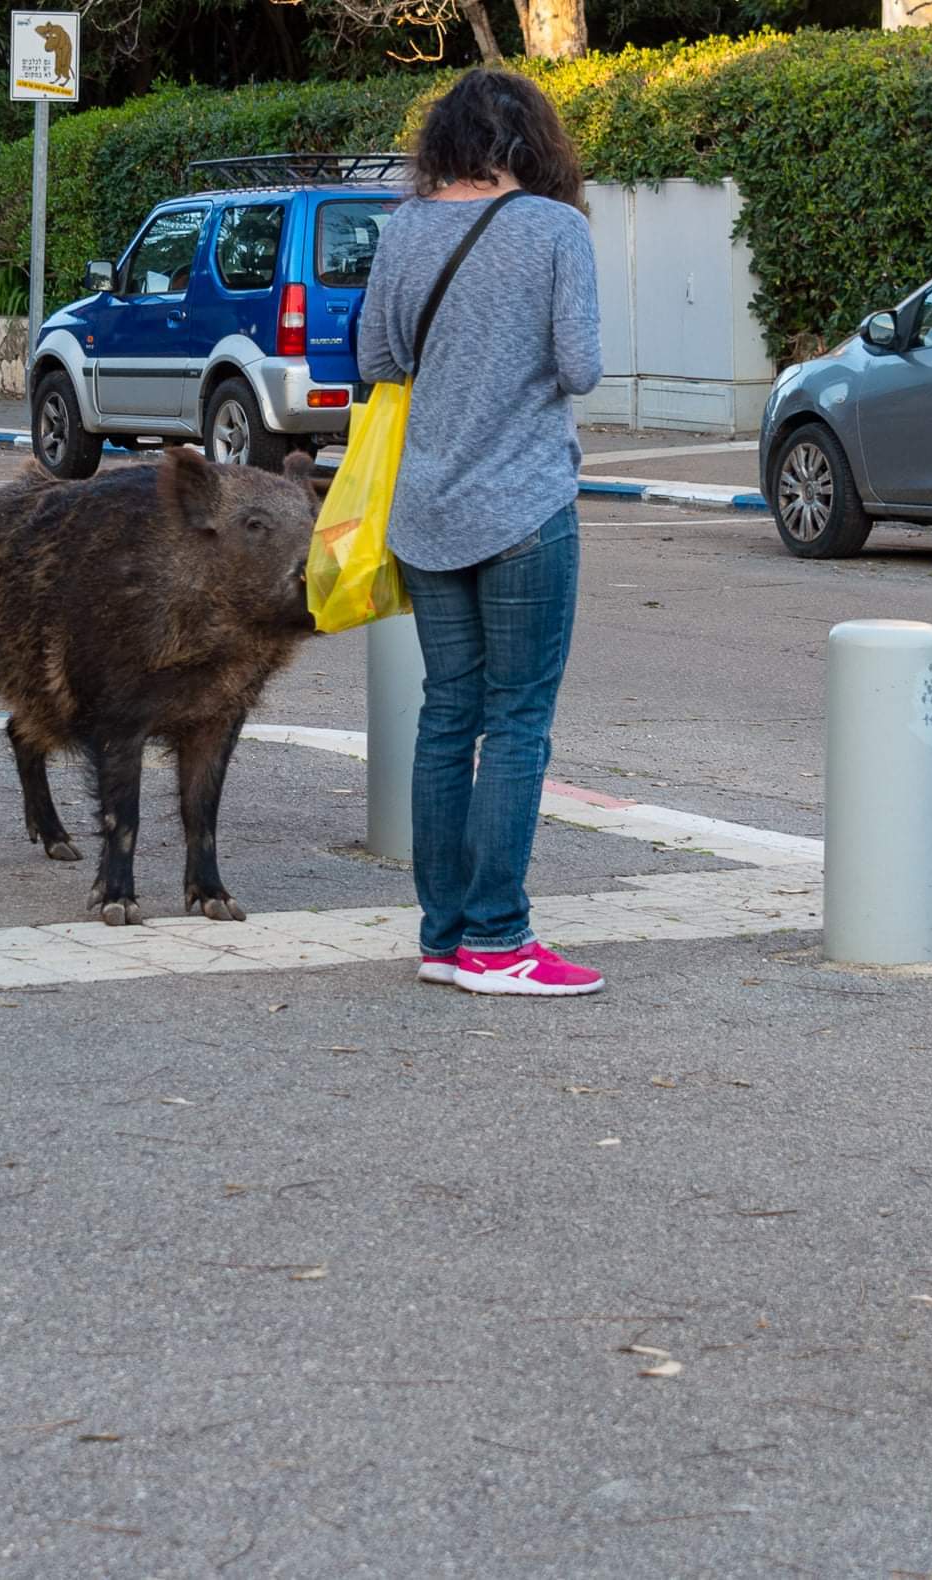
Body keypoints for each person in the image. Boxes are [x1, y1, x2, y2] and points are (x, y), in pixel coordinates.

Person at [356, 69, 604, 998]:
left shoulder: (406, 226)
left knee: (446, 717)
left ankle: (443, 934)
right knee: (516, 724)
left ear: (448, 143)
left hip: (424, 511)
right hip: (523, 508)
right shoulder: (556, 229)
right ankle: (499, 942)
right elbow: (580, 367)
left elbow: (378, 358)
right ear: (531, 147)